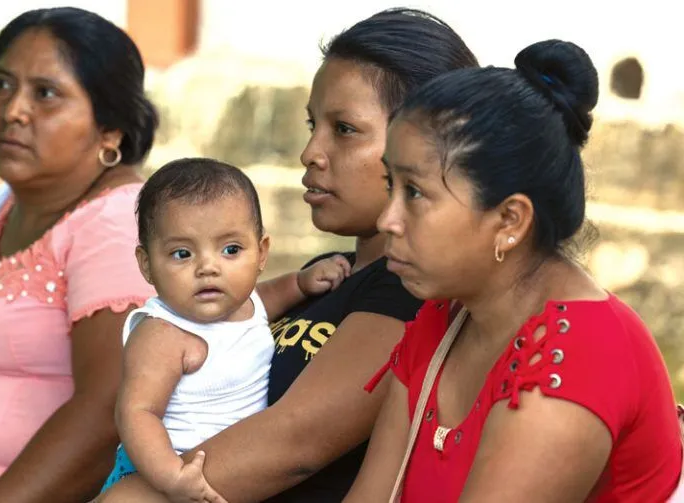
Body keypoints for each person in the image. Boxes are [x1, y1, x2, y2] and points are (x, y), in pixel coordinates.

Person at [99, 8, 478, 503]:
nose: (310, 152)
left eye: (344, 129)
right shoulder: (322, 276)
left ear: (425, 145)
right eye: (312, 124)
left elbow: (294, 443)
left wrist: (133, 496)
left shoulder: (407, 289)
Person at [345, 39, 682, 502]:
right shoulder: (446, 319)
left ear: (509, 221)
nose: (388, 220)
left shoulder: (576, 358)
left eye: (416, 193)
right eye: (391, 185)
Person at [0, 7, 158, 503]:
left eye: (45, 93)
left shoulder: (116, 220)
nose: (13, 110)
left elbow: (111, 406)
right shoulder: (1, 208)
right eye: (1, 84)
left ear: (109, 129)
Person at [100, 158, 350, 501]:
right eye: (182, 253)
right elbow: (136, 412)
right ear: (146, 264)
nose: (208, 267)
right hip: (163, 471)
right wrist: (172, 477)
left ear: (261, 253)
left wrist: (303, 283)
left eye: (230, 249)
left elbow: (271, 295)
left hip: (233, 472)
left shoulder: (247, 305)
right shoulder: (162, 334)